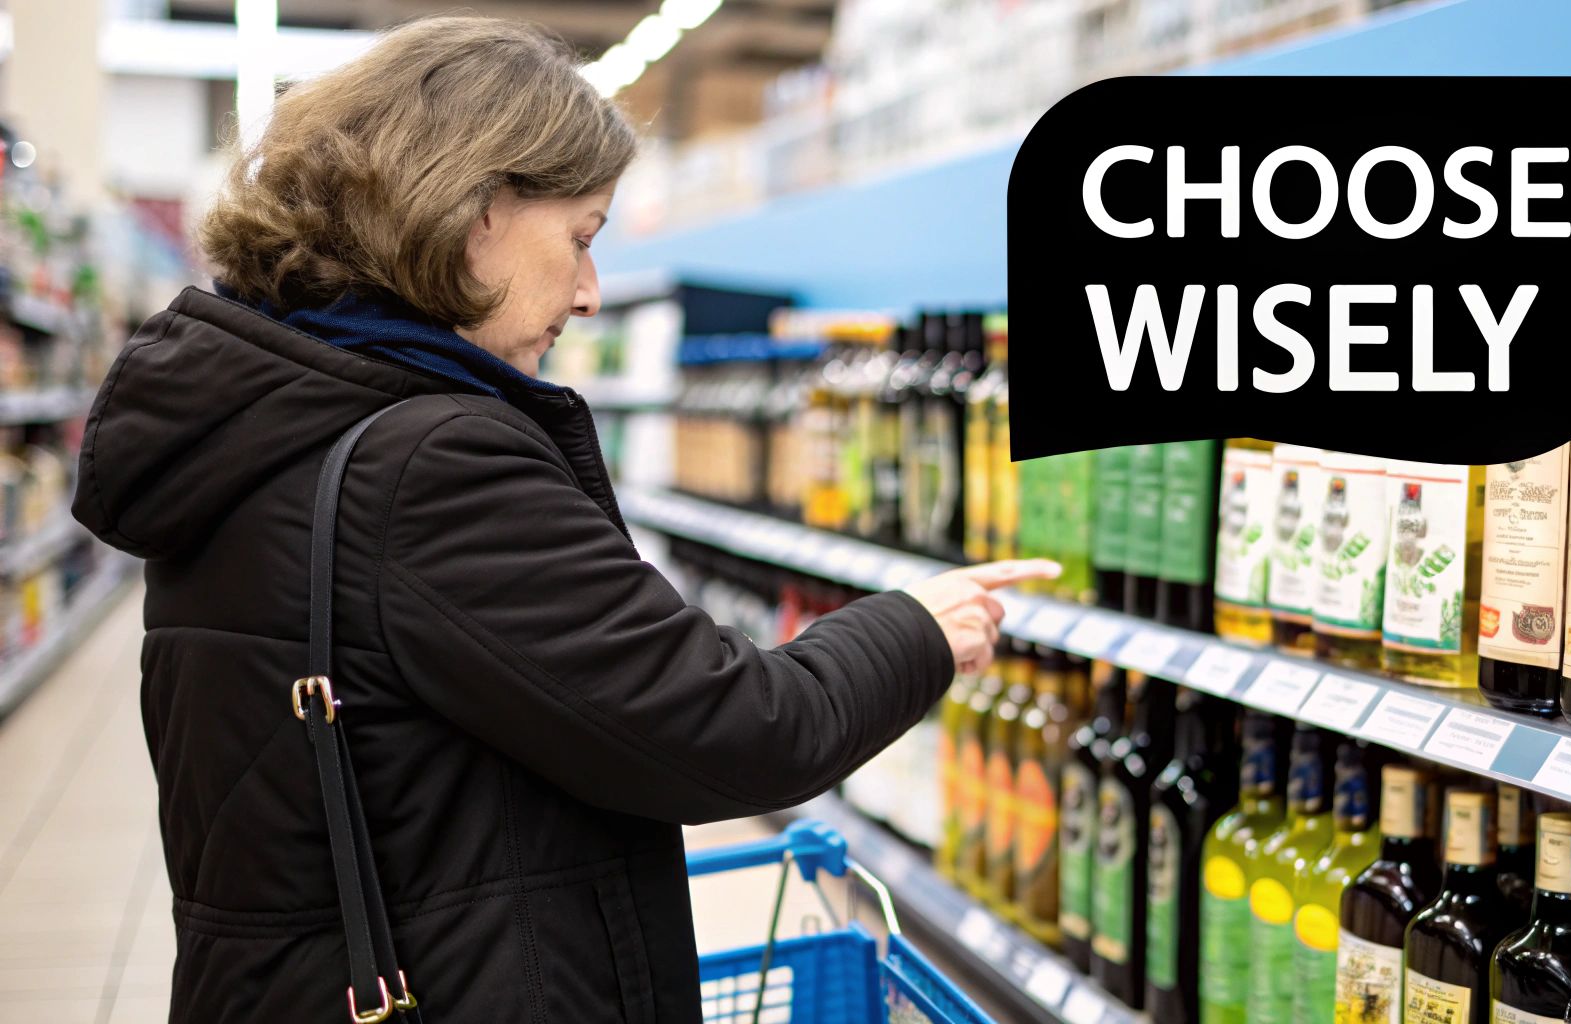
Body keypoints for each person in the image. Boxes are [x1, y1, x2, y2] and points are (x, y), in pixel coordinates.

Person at [71, 16, 1052, 1023]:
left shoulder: (261, 419)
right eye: (580, 237)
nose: (588, 293)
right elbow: (731, 728)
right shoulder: (426, 464)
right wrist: (917, 630)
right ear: (470, 208)